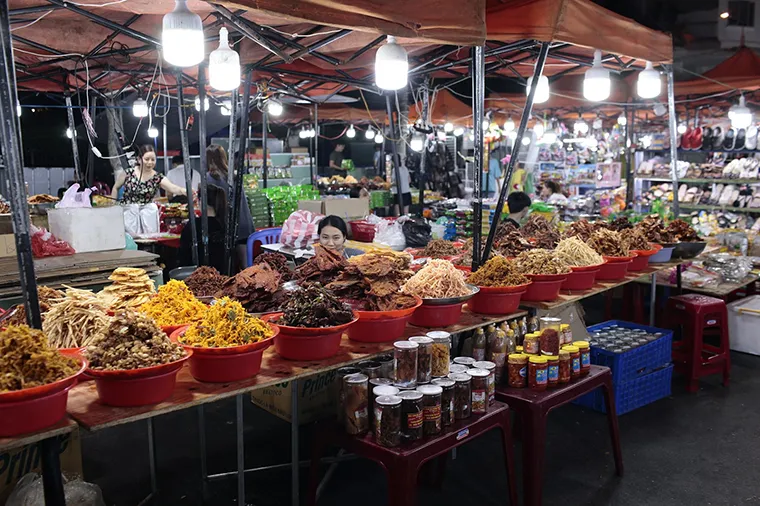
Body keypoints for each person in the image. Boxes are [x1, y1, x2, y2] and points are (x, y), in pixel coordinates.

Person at [206, 144, 254, 270]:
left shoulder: (209, 178)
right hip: (244, 225)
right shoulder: (234, 176)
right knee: (246, 267)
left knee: (228, 269)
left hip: (227, 227)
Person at [178, 184, 227, 273]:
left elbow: (183, 256)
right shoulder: (225, 224)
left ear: (201, 202)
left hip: (196, 276)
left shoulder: (193, 226)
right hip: (223, 275)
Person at [111, 145, 186, 204]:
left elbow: (173, 188)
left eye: (153, 159)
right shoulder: (127, 173)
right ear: (139, 159)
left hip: (147, 215)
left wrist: (184, 191)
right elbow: (115, 188)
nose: (150, 162)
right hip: (128, 215)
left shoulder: (157, 177)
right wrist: (113, 204)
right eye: (146, 159)